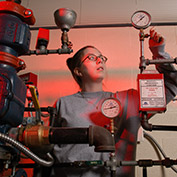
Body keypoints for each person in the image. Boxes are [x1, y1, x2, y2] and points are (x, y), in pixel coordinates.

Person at [50, 28, 177, 177]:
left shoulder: (128, 100)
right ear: (78, 71)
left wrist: (158, 53)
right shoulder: (64, 104)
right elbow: (46, 146)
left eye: (102, 57)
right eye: (91, 57)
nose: (99, 60)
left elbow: (171, 86)